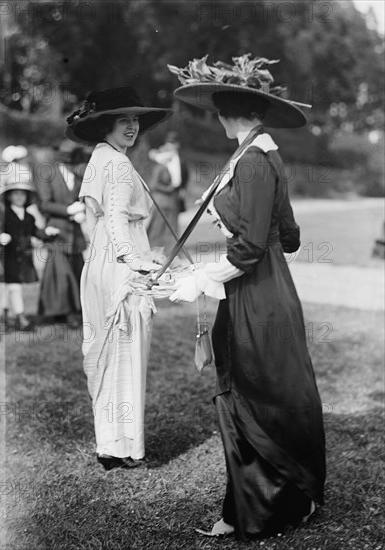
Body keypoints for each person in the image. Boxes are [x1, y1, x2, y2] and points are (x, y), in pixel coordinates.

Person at [168, 54, 326, 540]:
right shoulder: (259, 153)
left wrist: (201, 276)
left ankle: (263, 508)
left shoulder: (254, 161)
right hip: (268, 285)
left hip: (257, 290)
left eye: (218, 108)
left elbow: (253, 246)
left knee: (258, 387)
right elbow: (290, 235)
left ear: (228, 110)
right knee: (270, 383)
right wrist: (236, 223)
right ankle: (274, 500)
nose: (215, 116)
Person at [65, 85, 171, 470]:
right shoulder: (118, 164)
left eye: (135, 121)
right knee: (124, 353)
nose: (131, 127)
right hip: (118, 265)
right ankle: (122, 446)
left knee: (108, 350)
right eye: (123, 120)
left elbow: (97, 221)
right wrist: (134, 261)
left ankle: (111, 443)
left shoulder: (101, 156)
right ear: (106, 124)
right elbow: (113, 217)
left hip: (99, 263)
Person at [0, 163, 59, 329]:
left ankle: (9, 317)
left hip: (22, 258)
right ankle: (18, 318)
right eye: (15, 194)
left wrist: (47, 232)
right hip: (6, 256)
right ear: (9, 196)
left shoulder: (29, 217)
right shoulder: (3, 214)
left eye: (22, 194)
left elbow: (36, 233)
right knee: (9, 288)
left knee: (13, 287)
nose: (19, 197)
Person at [36, 139, 88, 326]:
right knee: (61, 274)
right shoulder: (48, 173)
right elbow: (45, 204)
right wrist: (68, 210)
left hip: (75, 230)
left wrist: (81, 211)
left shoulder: (78, 175)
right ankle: (65, 313)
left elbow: (83, 198)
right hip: (57, 231)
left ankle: (77, 309)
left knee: (77, 270)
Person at [147, 131, 189, 253]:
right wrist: (168, 188)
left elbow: (184, 176)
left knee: (171, 226)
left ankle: (171, 251)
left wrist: (180, 189)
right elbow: (153, 184)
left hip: (172, 197)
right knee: (158, 227)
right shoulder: (160, 167)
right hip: (162, 199)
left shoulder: (175, 163)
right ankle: (153, 250)